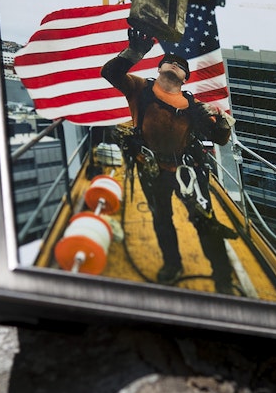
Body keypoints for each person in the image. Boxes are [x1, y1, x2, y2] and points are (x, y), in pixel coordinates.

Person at [101, 27, 237, 294]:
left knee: (205, 222)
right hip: (151, 168)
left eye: (180, 65)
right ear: (160, 68)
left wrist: (221, 122)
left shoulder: (195, 107)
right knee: (162, 219)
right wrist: (134, 52)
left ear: (185, 77)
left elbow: (220, 138)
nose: (174, 64)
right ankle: (172, 265)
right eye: (169, 62)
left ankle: (222, 278)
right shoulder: (139, 89)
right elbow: (110, 73)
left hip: (188, 173)